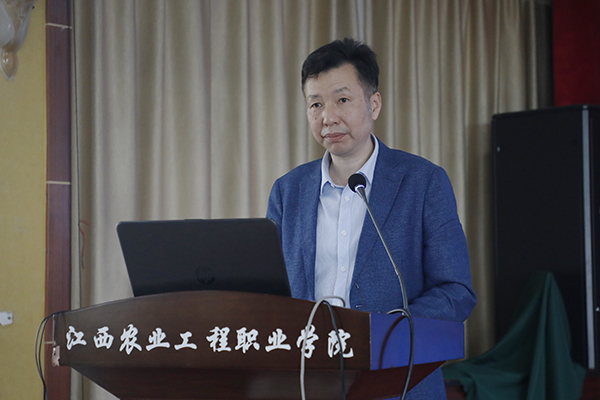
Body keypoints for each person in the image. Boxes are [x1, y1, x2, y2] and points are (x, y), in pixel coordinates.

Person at [266, 38, 477, 399]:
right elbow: (272, 293)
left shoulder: (423, 182)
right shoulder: (288, 191)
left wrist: (382, 333)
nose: (328, 117)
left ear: (373, 104)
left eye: (342, 100)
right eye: (315, 104)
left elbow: (456, 292)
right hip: (308, 383)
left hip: (398, 381)